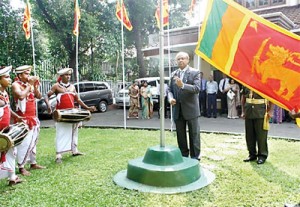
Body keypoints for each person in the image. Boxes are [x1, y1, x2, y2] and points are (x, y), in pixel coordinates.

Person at [45, 68, 95, 164]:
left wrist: (88, 108)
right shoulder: (56, 86)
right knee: (61, 133)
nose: (68, 76)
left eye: (69, 75)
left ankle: (74, 150)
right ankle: (58, 155)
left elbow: (78, 100)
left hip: (72, 113)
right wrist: (48, 106)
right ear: (61, 76)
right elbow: (46, 96)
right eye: (66, 75)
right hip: (61, 113)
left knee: (74, 131)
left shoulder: (72, 87)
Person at [11, 65, 45, 176]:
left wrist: (34, 86)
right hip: (23, 120)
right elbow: (21, 96)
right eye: (26, 74)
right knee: (24, 143)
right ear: (20, 75)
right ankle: (21, 166)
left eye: (29, 73)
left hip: (33, 118)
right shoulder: (15, 85)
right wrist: (30, 84)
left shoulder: (28, 85)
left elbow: (39, 96)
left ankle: (33, 163)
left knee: (33, 142)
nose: (29, 76)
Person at [168, 51, 201, 160]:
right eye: (178, 59)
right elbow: (169, 90)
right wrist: (170, 98)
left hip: (191, 109)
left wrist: (183, 85)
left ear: (188, 60)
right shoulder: (173, 74)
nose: (181, 60)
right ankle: (183, 156)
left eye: (183, 58)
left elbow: (197, 89)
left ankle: (195, 157)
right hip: (178, 110)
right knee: (180, 136)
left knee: (194, 135)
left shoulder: (195, 72)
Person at [0, 66, 23, 186]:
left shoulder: (4, 93)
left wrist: (16, 117)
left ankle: (12, 177)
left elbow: (7, 108)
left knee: (11, 151)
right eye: (6, 77)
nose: (9, 79)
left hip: (6, 129)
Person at [241, 87, 274, 164]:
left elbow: (272, 97)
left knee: (261, 136)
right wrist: (243, 111)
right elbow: (243, 97)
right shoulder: (246, 82)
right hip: (248, 111)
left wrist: (271, 111)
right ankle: (252, 154)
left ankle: (262, 155)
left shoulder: (264, 83)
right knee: (249, 135)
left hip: (261, 112)